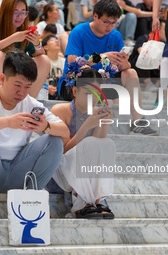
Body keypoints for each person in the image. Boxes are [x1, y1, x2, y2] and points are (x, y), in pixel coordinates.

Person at [0, 52, 69, 219]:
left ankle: (32, 199)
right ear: (2, 78)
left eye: (27, 87)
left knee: (54, 140)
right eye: (17, 85)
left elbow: (65, 132)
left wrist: (45, 126)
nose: (22, 92)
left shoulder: (30, 103)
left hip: (15, 173)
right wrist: (8, 122)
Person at [60, 0, 159, 136]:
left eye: (114, 23)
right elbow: (72, 61)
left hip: (104, 83)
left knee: (130, 72)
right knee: (84, 70)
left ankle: (138, 122)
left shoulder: (115, 35)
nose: (110, 26)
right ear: (95, 16)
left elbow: (121, 67)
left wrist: (124, 64)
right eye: (106, 22)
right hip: (75, 83)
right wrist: (100, 57)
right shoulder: (79, 31)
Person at [51, 68, 115, 218]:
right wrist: (87, 124)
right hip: (60, 172)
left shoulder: (95, 112)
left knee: (107, 144)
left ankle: (98, 200)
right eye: (88, 94)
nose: (93, 99)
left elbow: (99, 147)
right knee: (89, 144)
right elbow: (62, 151)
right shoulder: (60, 110)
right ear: (75, 91)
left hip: (84, 171)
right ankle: (83, 203)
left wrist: (104, 123)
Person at [0, 0, 50, 99]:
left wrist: (37, 43)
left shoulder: (25, 31)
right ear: (6, 12)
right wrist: (13, 38)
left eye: (23, 12)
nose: (20, 16)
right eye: (15, 12)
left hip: (17, 79)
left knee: (44, 59)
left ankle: (27, 101)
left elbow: (40, 54)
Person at [42, 34, 64, 99]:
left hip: (61, 94)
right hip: (45, 94)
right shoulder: (42, 62)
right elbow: (34, 82)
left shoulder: (65, 61)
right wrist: (46, 88)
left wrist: (63, 78)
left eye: (58, 40)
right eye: (52, 40)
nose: (57, 42)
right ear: (45, 47)